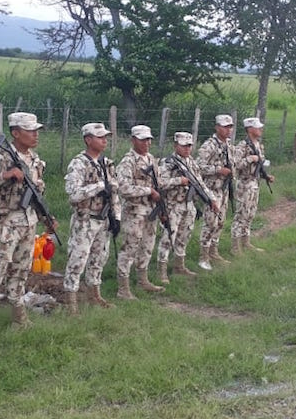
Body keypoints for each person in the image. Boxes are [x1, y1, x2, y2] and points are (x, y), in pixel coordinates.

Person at [0, 112, 56, 344]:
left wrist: (47, 217)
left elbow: (36, 195)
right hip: (4, 224)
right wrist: (4, 176)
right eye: (30, 130)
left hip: (28, 223)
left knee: (20, 271)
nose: (35, 134)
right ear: (15, 133)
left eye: (37, 130)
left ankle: (19, 316)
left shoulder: (35, 160)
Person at [63, 122, 120, 313]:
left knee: (99, 258)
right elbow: (73, 194)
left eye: (106, 137)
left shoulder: (106, 163)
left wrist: (116, 217)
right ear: (88, 140)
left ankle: (94, 295)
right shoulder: (78, 163)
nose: (104, 140)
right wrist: (99, 186)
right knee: (77, 261)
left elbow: (114, 192)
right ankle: (71, 303)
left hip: (103, 219)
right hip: (85, 220)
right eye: (100, 137)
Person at [156, 132, 219, 282]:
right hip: (172, 206)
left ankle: (179, 266)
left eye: (189, 146)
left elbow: (200, 183)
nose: (187, 149)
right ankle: (161, 271)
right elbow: (160, 183)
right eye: (184, 146)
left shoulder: (191, 162)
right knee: (168, 238)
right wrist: (179, 180)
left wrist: (211, 199)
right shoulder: (168, 163)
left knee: (184, 236)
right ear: (176, 145)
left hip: (188, 205)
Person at [115, 125, 165, 299]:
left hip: (151, 211)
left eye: (149, 139)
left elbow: (159, 184)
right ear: (133, 140)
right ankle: (123, 288)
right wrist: (148, 191)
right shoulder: (128, 162)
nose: (147, 143)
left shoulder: (151, 159)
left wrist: (161, 207)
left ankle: (142, 280)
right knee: (129, 248)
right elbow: (124, 189)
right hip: (134, 212)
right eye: (143, 139)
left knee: (148, 246)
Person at [231, 116, 275, 254]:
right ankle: (235, 246)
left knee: (250, 213)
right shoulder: (242, 146)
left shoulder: (259, 145)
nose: (261, 129)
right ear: (250, 129)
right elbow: (235, 164)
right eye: (257, 127)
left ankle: (246, 242)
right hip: (244, 183)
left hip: (254, 183)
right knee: (241, 214)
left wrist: (266, 176)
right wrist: (250, 158)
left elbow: (259, 166)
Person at [196, 114, 236, 270]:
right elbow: (198, 167)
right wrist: (218, 170)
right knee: (210, 223)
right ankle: (203, 257)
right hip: (211, 189)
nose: (228, 130)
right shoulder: (209, 146)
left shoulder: (228, 145)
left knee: (220, 222)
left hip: (224, 188)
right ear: (217, 127)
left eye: (230, 127)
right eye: (225, 127)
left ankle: (214, 251)